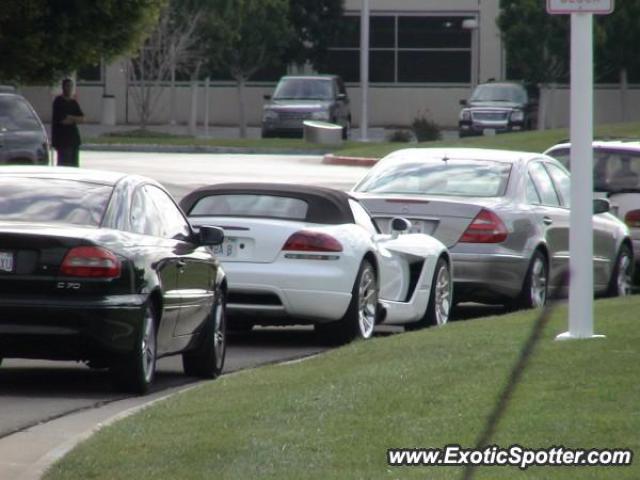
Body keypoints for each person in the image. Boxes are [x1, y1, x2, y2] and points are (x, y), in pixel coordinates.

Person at [51, 78, 84, 167]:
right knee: (64, 166)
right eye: (68, 86)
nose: (69, 88)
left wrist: (71, 117)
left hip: (74, 140)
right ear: (63, 87)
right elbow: (63, 121)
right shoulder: (58, 101)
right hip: (62, 141)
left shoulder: (73, 102)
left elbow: (82, 119)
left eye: (71, 86)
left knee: (74, 166)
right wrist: (74, 119)